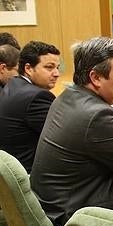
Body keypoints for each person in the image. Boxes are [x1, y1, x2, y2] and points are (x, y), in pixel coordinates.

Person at [30, 37, 113, 226]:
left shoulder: (67, 97)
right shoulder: (98, 115)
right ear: (96, 77)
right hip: (77, 222)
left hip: (53, 209)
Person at [0, 41, 60, 172]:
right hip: (31, 173)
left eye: (57, 67)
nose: (56, 74)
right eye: (49, 67)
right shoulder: (37, 97)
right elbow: (64, 137)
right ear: (28, 69)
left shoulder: (14, 84)